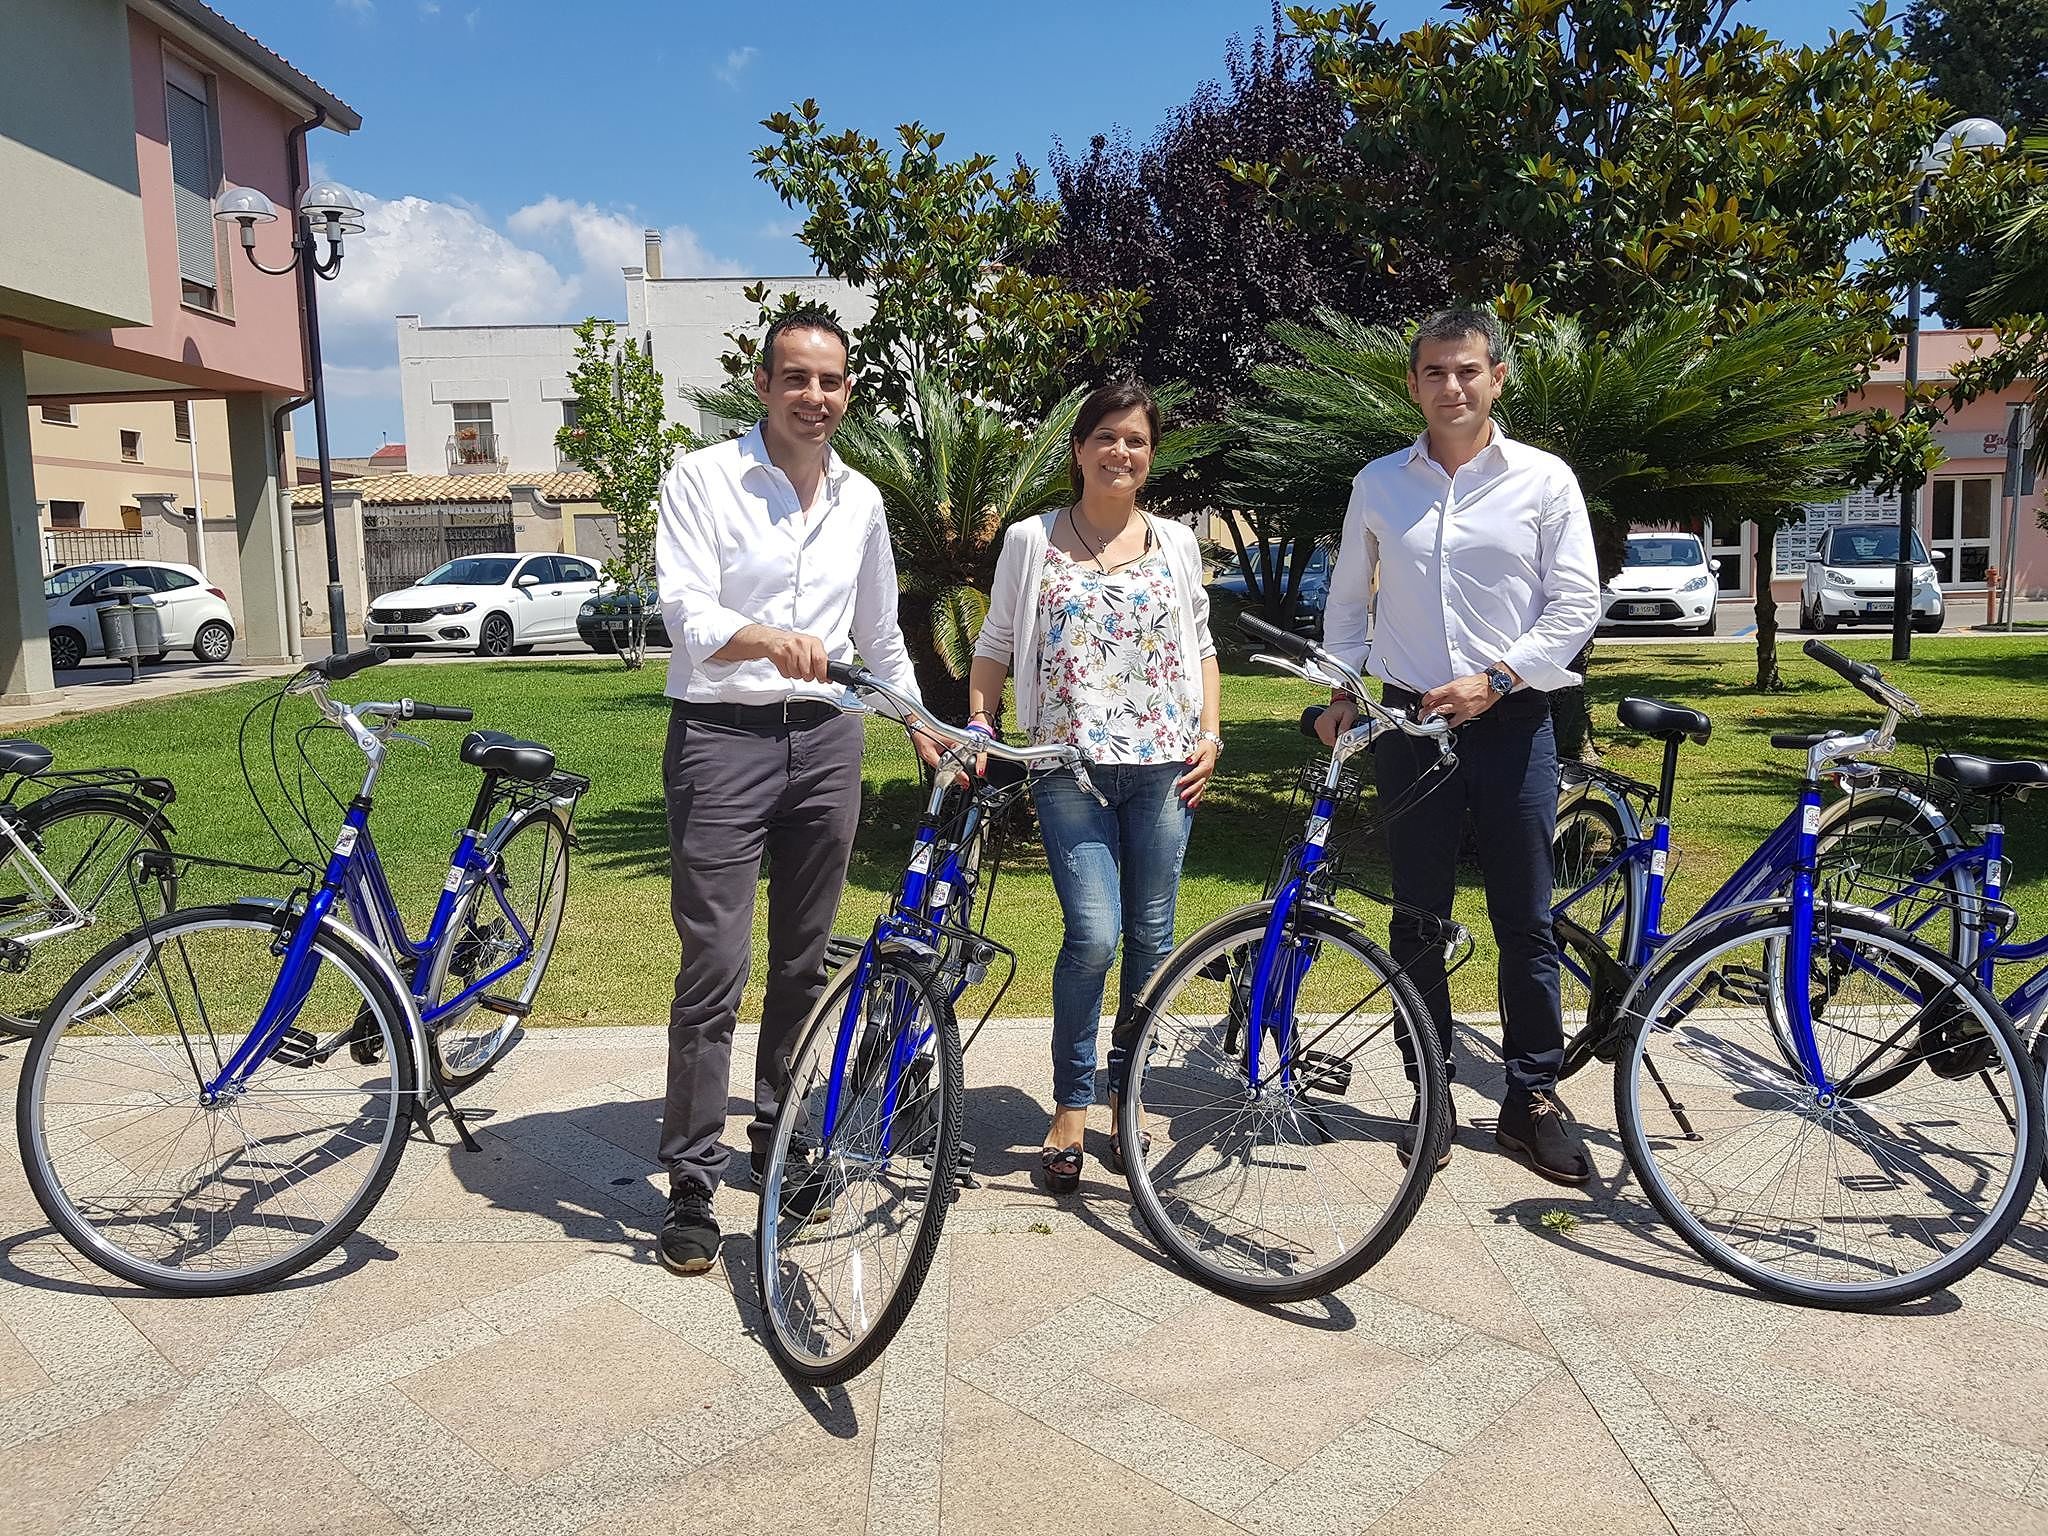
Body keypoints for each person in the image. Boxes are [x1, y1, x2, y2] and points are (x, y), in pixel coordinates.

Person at [653, 305, 942, 1275]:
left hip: (826, 743)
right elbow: (684, 610)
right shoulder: (701, 480)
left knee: (802, 964)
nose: (813, 398)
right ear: (763, 386)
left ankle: (778, 1135)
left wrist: (920, 724)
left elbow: (881, 631)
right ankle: (689, 1179)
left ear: (846, 392)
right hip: (720, 740)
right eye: (795, 379)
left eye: (829, 382)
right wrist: (765, 639)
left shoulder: (859, 499)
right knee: (714, 968)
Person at [1316, 307, 1601, 1184]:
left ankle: (1531, 1098)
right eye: (1435, 372)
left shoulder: (1545, 481)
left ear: (1498, 378)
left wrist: (1500, 680)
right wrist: (1343, 690)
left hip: (1512, 724)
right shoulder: (1379, 482)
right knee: (1418, 917)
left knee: (1526, 917)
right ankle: (1431, 1089)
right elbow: (1349, 605)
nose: (1452, 387)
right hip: (1409, 727)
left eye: (1468, 370)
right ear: (1413, 384)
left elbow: (1577, 602)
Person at [968, 380, 1221, 1193]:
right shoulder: (1031, 540)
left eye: (1137, 441)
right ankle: (1073, 1101)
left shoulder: (1177, 542)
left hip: (1166, 767)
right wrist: (979, 721)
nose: (1122, 452)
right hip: (1066, 767)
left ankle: (1128, 1096)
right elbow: (997, 639)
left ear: (1151, 456)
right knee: (1094, 936)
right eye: (1107, 436)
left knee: (1154, 942)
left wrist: (1211, 734)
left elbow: (1204, 648)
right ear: (1078, 448)